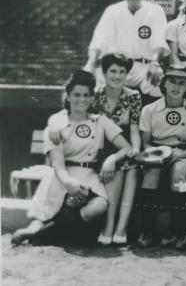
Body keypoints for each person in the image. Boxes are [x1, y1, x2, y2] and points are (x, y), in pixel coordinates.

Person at [11, 70, 132, 245]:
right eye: (76, 95)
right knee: (61, 206)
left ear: (92, 98)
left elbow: (126, 147)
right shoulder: (57, 124)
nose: (81, 100)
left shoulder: (100, 121)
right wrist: (70, 184)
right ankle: (38, 229)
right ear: (68, 96)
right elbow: (58, 166)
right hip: (62, 176)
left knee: (99, 206)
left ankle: (45, 233)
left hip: (89, 177)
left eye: (86, 95)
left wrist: (111, 159)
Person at [137, 65, 186, 247]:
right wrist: (160, 156)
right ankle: (147, 229)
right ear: (164, 83)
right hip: (157, 153)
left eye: (182, 82)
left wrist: (177, 155)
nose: (176, 86)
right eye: (172, 81)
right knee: (151, 174)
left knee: (178, 173)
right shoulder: (149, 109)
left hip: (184, 153)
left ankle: (177, 230)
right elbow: (145, 143)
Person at [84, 0, 169, 105]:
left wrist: (155, 63)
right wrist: (91, 63)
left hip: (143, 66)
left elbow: (159, 41)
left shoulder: (155, 10)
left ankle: (149, 123)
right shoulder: (113, 10)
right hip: (117, 65)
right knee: (94, 82)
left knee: (157, 84)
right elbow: (100, 39)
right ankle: (95, 122)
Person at [91, 54, 142, 245]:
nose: (117, 76)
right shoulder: (95, 95)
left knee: (132, 166)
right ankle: (109, 225)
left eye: (122, 72)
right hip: (101, 149)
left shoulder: (133, 96)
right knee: (121, 166)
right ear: (104, 73)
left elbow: (135, 129)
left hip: (124, 146)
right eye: (113, 71)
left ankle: (121, 228)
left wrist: (136, 148)